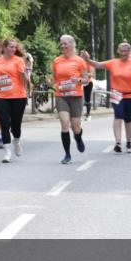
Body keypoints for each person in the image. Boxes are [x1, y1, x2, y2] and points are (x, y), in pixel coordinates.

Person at [82, 41, 131, 153]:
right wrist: (87, 59)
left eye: (125, 51)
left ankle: (128, 142)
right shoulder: (113, 62)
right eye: (121, 51)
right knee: (118, 117)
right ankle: (118, 143)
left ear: (129, 52)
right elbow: (98, 65)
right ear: (118, 51)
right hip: (116, 94)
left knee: (128, 119)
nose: (123, 53)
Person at [0, 39, 31, 163]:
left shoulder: (19, 60)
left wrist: (24, 76)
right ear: (4, 48)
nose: (13, 49)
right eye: (11, 47)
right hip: (1, 96)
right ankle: (7, 153)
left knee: (16, 124)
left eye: (14, 47)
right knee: (4, 123)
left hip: (18, 96)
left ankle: (17, 141)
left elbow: (25, 80)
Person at [52, 34, 90, 164]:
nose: (63, 46)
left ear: (72, 44)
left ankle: (78, 138)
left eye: (65, 43)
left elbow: (86, 80)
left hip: (76, 96)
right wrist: (51, 82)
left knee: (75, 126)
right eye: (61, 43)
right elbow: (54, 79)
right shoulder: (57, 61)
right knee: (64, 123)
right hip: (61, 96)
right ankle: (67, 154)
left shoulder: (79, 61)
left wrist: (78, 80)